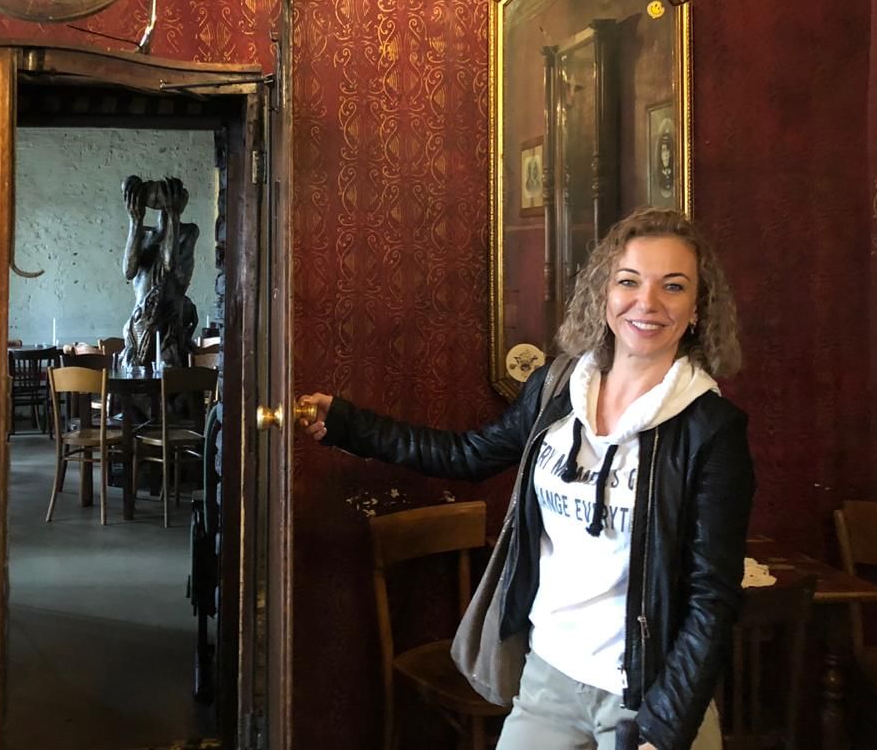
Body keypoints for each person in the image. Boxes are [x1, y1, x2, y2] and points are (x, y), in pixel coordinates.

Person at [298, 207, 751, 750]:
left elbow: (711, 597)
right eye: (629, 281)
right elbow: (467, 455)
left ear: (697, 308)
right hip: (549, 678)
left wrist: (667, 726)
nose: (647, 302)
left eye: (673, 286)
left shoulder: (710, 429)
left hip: (649, 695)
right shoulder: (558, 389)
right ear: (604, 293)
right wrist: (349, 425)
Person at [120, 174, 200, 371]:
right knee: (134, 377)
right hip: (140, 322)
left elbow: (169, 264)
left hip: (169, 325)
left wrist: (173, 217)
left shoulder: (188, 232)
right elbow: (128, 271)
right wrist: (135, 221)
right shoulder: (144, 235)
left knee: (169, 376)